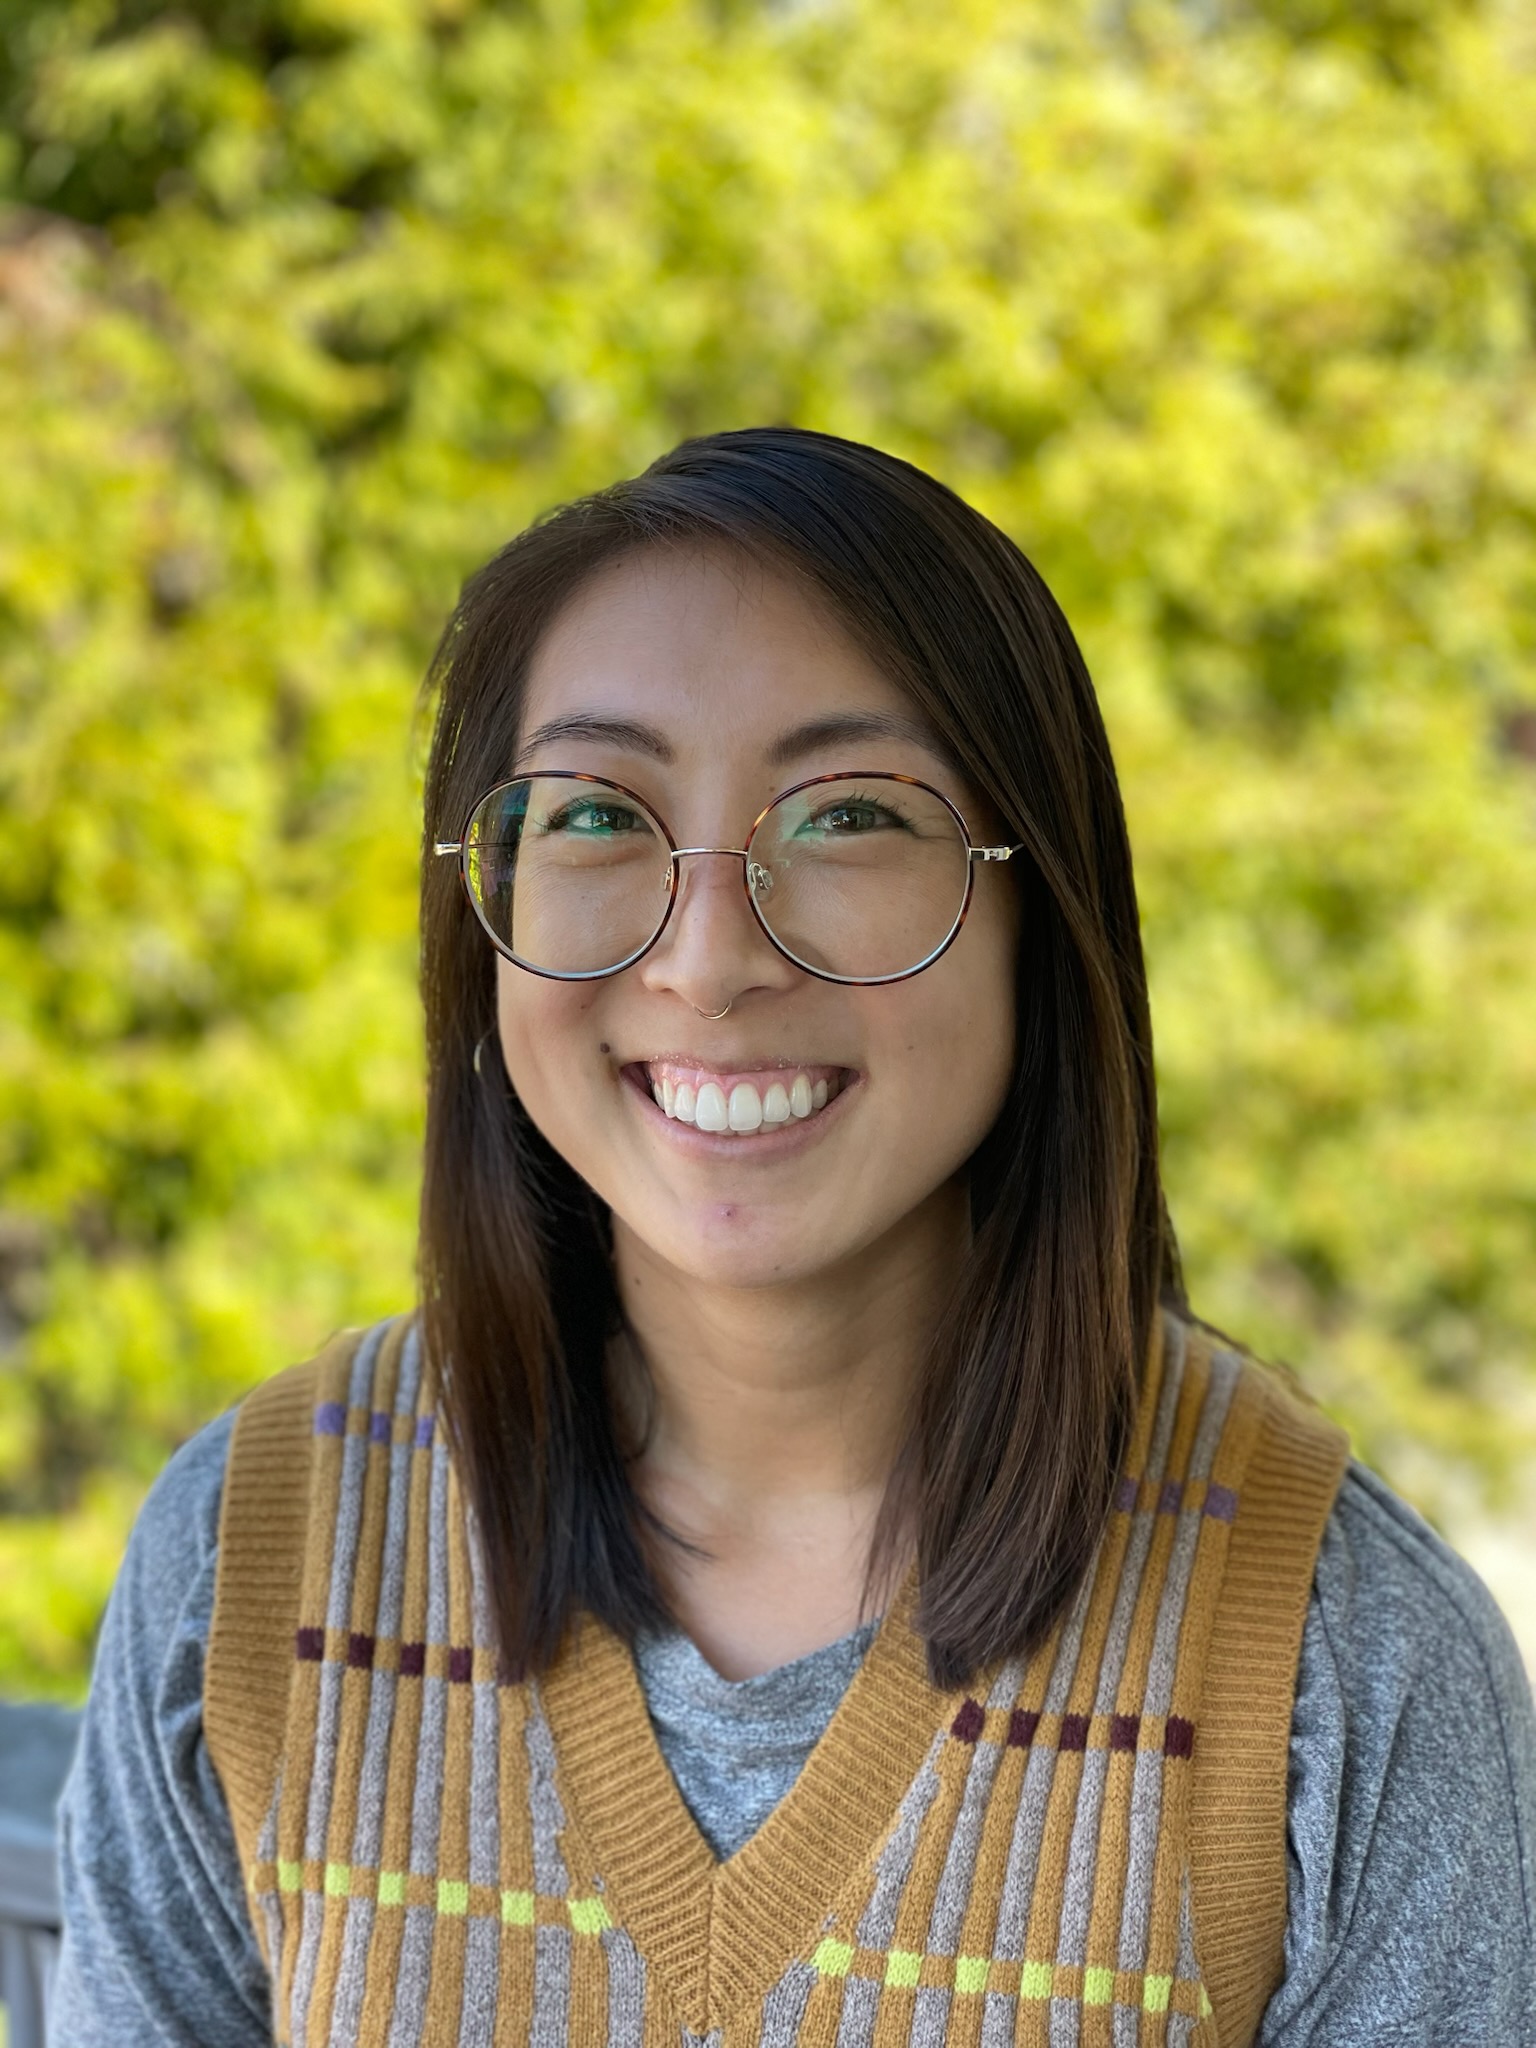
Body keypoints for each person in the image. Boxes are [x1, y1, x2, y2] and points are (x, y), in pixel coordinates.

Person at [52, 429, 1534, 2047]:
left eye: (844, 819)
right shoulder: (252, 1567)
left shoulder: (1347, 1671)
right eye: (600, 816)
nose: (706, 959)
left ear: (1039, 906)